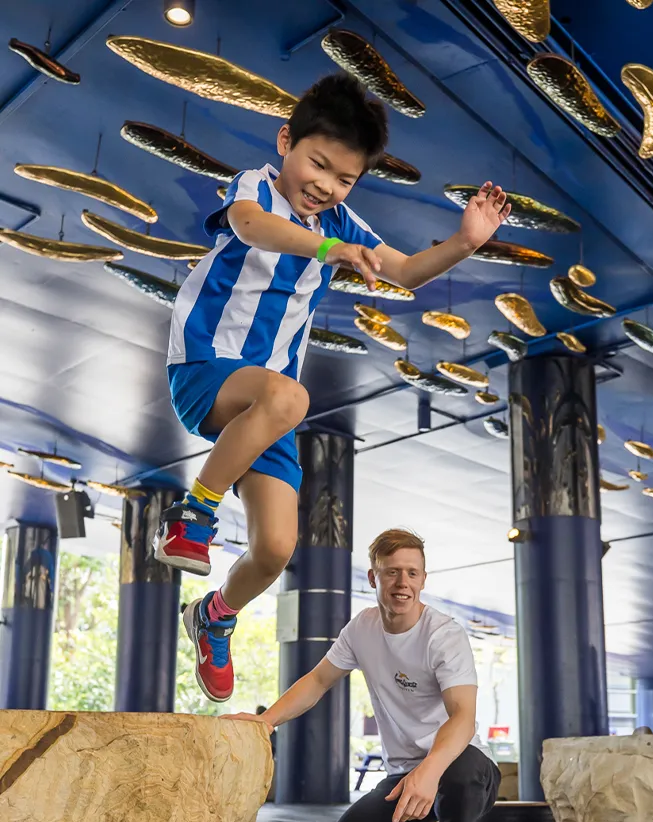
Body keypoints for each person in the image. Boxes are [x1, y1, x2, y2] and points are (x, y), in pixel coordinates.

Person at [154, 72, 511, 704]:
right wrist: (329, 247)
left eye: (344, 178)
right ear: (286, 139)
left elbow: (402, 271)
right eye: (318, 165)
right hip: (207, 367)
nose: (326, 185)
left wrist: (463, 243)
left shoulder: (344, 223)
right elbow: (252, 227)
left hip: (265, 408)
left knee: (275, 548)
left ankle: (214, 616)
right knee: (292, 399)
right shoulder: (255, 188)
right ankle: (194, 514)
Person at [233, 529, 501, 822]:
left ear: (423, 580)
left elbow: (463, 716)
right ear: (374, 578)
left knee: (460, 775)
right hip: (403, 775)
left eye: (412, 573)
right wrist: (267, 721)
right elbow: (318, 680)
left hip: (461, 768)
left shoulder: (444, 635)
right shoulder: (362, 628)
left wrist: (430, 771)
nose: (403, 582)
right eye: (392, 572)